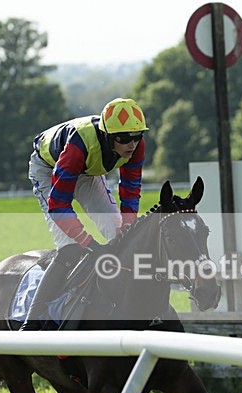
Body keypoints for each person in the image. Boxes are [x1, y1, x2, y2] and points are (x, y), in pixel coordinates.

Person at [20, 97, 149, 331]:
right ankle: (32, 320)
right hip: (50, 169)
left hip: (87, 171)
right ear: (109, 136)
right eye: (123, 138)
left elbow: (130, 191)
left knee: (118, 232)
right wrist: (89, 243)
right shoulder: (79, 145)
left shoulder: (136, 146)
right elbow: (59, 205)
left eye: (137, 136)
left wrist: (127, 227)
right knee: (71, 247)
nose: (131, 144)